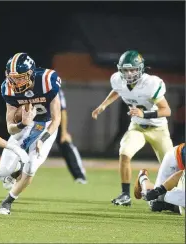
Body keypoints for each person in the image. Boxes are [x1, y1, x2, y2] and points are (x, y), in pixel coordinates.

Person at [92, 50, 173, 206]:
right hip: (137, 127)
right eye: (125, 70)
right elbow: (117, 90)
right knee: (124, 153)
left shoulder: (150, 83)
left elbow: (166, 110)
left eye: (133, 69)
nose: (129, 73)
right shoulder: (117, 80)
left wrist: (144, 113)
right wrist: (102, 106)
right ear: (120, 69)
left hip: (158, 129)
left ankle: (152, 187)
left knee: (170, 165)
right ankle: (125, 194)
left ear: (140, 69)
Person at [0, 52, 61, 215]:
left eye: (20, 77)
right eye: (12, 77)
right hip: (26, 125)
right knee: (4, 172)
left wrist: (43, 139)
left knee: (32, 166)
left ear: (31, 74)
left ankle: (8, 201)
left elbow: (56, 120)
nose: (15, 82)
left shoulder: (47, 82)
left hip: (46, 125)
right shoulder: (8, 90)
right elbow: (10, 128)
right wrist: (22, 123)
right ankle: (16, 171)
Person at [134, 143, 185, 213]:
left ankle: (170, 205)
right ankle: (143, 177)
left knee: (178, 208)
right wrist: (159, 190)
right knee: (155, 202)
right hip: (175, 158)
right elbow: (181, 174)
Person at [55, 88, 87, 184]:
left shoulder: (55, 89)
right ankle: (16, 174)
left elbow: (62, 111)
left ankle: (79, 175)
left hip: (54, 120)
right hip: (38, 121)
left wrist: (64, 132)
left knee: (65, 143)